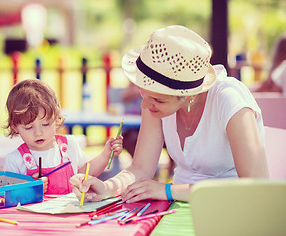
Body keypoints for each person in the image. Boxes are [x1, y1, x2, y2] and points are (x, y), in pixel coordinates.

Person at [70, 25, 269, 203]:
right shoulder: (154, 99)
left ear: (189, 95)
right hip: (176, 206)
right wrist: (106, 188)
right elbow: (140, 168)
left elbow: (255, 186)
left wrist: (168, 190)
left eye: (158, 100)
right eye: (143, 94)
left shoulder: (230, 100)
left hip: (231, 208)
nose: (146, 105)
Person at [3, 79, 123, 194]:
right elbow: (9, 196)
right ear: (15, 126)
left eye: (45, 124)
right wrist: (29, 189)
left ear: (55, 119)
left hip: (71, 212)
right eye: (29, 127)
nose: (38, 133)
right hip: (34, 215)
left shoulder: (70, 145)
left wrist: (106, 154)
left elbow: (84, 173)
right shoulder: (15, 160)